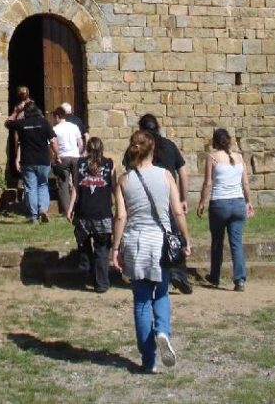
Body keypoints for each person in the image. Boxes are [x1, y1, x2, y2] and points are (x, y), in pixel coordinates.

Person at [111, 129, 191, 374]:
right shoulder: (166, 175)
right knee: (162, 292)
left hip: (136, 242)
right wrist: (186, 238)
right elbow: (177, 211)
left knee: (142, 301)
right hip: (160, 242)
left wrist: (115, 248)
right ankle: (163, 332)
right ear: (153, 149)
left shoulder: (123, 181)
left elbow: (121, 216)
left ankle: (148, 360)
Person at [136, 114, 193, 294]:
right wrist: (183, 198)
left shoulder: (139, 147)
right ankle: (177, 272)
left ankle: (154, 274)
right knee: (174, 235)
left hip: (146, 198)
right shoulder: (169, 145)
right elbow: (183, 173)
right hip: (169, 196)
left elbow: (130, 169)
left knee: (150, 235)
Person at [196, 127, 254, 290]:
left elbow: (208, 183)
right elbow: (246, 183)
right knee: (236, 242)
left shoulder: (213, 158)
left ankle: (215, 276)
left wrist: (202, 201)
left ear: (215, 142)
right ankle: (240, 279)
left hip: (219, 203)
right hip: (237, 202)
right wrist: (248, 202)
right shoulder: (239, 157)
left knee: (217, 241)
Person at [66, 136, 115, 292]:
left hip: (84, 212)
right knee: (102, 249)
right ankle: (101, 283)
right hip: (103, 213)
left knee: (84, 243)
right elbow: (114, 187)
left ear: (87, 148)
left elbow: (76, 188)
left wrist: (70, 207)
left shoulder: (79, 164)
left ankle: (86, 268)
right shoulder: (109, 164)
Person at [5, 100, 58, 224]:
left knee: (30, 188)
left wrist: (16, 111)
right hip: (43, 160)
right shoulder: (44, 122)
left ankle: (33, 216)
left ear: (25, 112)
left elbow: (7, 123)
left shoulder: (22, 123)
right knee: (43, 185)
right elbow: (53, 141)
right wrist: (56, 154)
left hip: (27, 161)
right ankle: (43, 209)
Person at [52, 106, 83, 216]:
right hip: (75, 157)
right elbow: (80, 144)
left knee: (63, 184)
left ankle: (66, 211)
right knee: (77, 182)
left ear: (57, 117)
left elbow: (53, 143)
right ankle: (79, 207)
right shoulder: (74, 127)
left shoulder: (55, 129)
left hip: (63, 158)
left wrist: (56, 156)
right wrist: (78, 154)